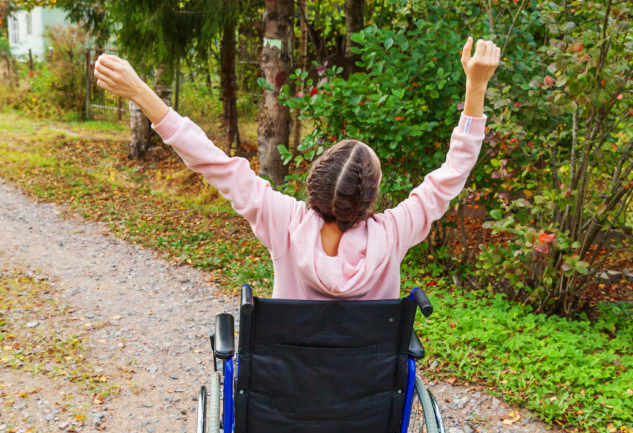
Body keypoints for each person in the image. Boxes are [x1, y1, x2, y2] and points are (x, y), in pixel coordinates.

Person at [94, 37, 499, 300]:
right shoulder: (394, 233)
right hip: (362, 399)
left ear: (314, 182)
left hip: (288, 397)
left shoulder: (283, 222)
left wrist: (141, 92)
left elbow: (210, 160)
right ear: (371, 197)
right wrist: (475, 87)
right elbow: (453, 172)